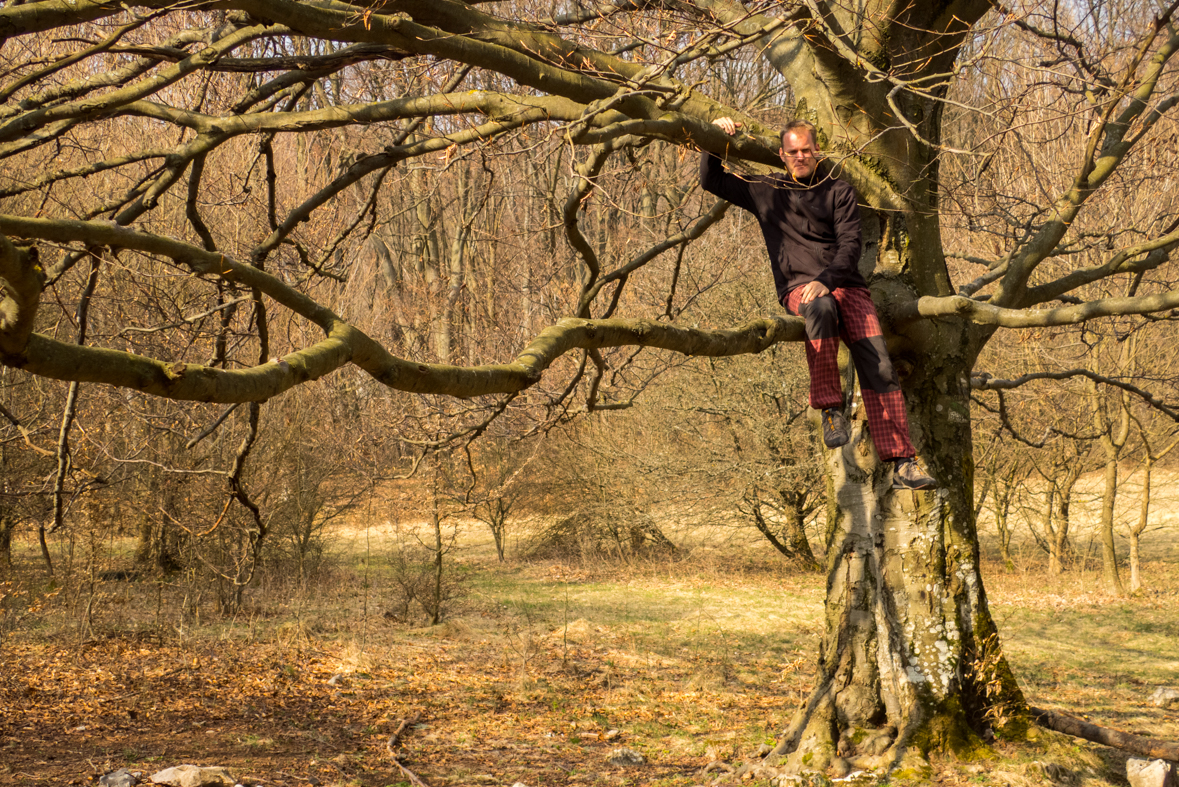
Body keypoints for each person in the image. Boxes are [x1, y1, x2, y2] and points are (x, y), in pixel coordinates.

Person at [701, 117, 936, 490]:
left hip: (846, 285)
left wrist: (826, 281)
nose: (799, 157)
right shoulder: (765, 190)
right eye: (792, 152)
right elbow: (712, 180)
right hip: (799, 290)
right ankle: (830, 409)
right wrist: (714, 137)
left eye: (806, 151)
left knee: (880, 365)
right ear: (781, 155)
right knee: (820, 310)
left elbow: (850, 246)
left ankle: (903, 462)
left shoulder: (839, 191)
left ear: (817, 152)